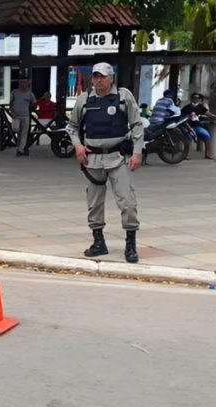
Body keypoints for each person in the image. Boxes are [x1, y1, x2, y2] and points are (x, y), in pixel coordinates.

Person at [66, 62, 143, 263]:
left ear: (111, 78)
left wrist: (137, 152)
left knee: (127, 201)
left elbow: (137, 125)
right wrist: (77, 146)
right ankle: (98, 242)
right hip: (92, 159)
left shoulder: (123, 97)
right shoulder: (84, 100)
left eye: (102, 76)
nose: (98, 80)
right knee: (94, 203)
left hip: (119, 157)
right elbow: (72, 126)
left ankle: (131, 244)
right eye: (95, 76)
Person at [181, 92, 216, 158]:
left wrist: (213, 116)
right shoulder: (186, 107)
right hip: (188, 126)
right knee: (188, 138)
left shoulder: (201, 106)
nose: (196, 99)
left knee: (207, 136)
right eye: (194, 98)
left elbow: (207, 113)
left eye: (198, 98)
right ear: (191, 99)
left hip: (198, 126)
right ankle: (185, 154)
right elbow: (182, 117)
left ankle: (207, 154)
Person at [10, 78, 36, 156]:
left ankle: (20, 150)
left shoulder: (30, 94)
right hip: (16, 115)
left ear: (27, 84)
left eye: (24, 82)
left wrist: (32, 108)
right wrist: (12, 111)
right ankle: (19, 145)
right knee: (15, 129)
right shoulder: (15, 92)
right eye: (21, 82)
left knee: (24, 133)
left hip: (26, 116)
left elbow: (34, 104)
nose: (22, 84)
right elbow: (11, 103)